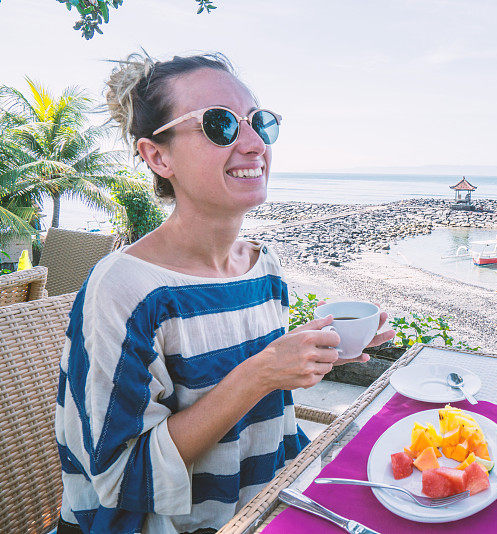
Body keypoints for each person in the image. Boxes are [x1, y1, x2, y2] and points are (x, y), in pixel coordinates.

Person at [54, 52, 395, 534]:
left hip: (270, 503)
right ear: (158, 156)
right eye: (220, 125)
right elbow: (120, 481)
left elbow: (251, 384)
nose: (255, 143)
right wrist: (260, 373)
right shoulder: (126, 291)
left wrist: (317, 353)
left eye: (260, 122)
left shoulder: (262, 267)